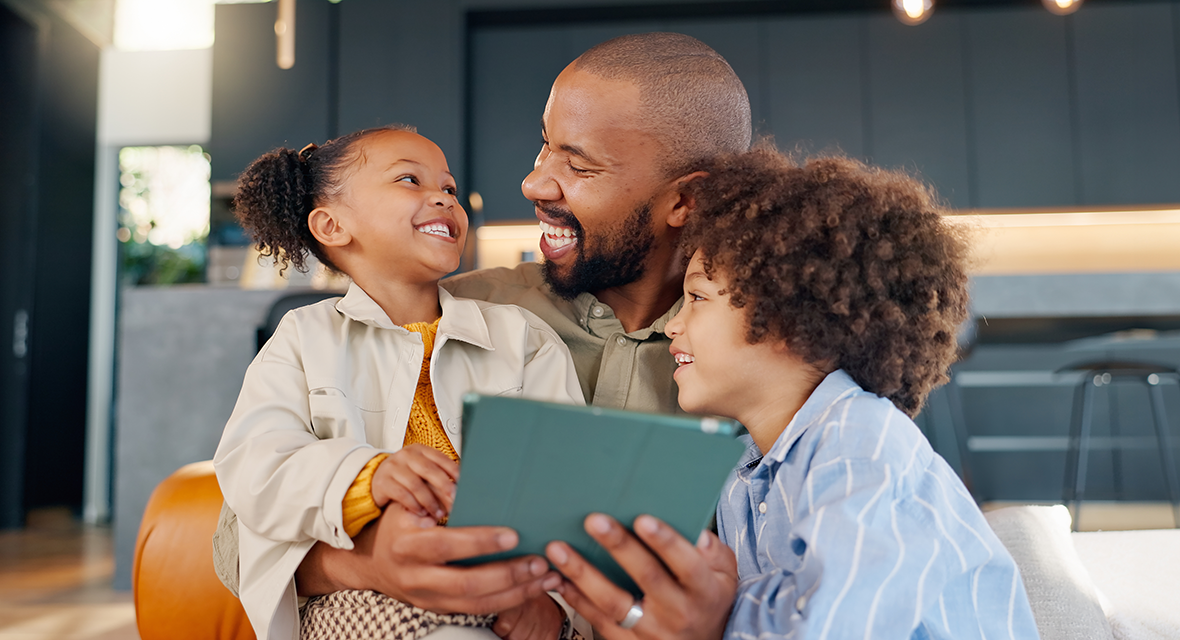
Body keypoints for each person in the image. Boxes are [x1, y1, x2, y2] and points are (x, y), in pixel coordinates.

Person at [215, 32, 752, 640]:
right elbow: (236, 531)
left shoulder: (761, 349)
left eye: (578, 164)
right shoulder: (459, 303)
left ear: (687, 199)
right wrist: (372, 563)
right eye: (544, 147)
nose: (534, 183)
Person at [213, 125, 588, 640]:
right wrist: (366, 476)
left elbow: (568, 480)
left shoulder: (522, 338)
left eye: (450, 189)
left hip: (502, 590)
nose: (442, 197)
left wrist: (550, 603)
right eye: (409, 180)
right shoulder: (303, 338)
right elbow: (257, 463)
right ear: (332, 225)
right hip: (357, 598)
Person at [651, 148, 1040, 638]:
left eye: (697, 298)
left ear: (787, 320)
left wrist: (717, 615)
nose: (673, 324)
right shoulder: (741, 478)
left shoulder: (859, 443)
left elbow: (833, 627)